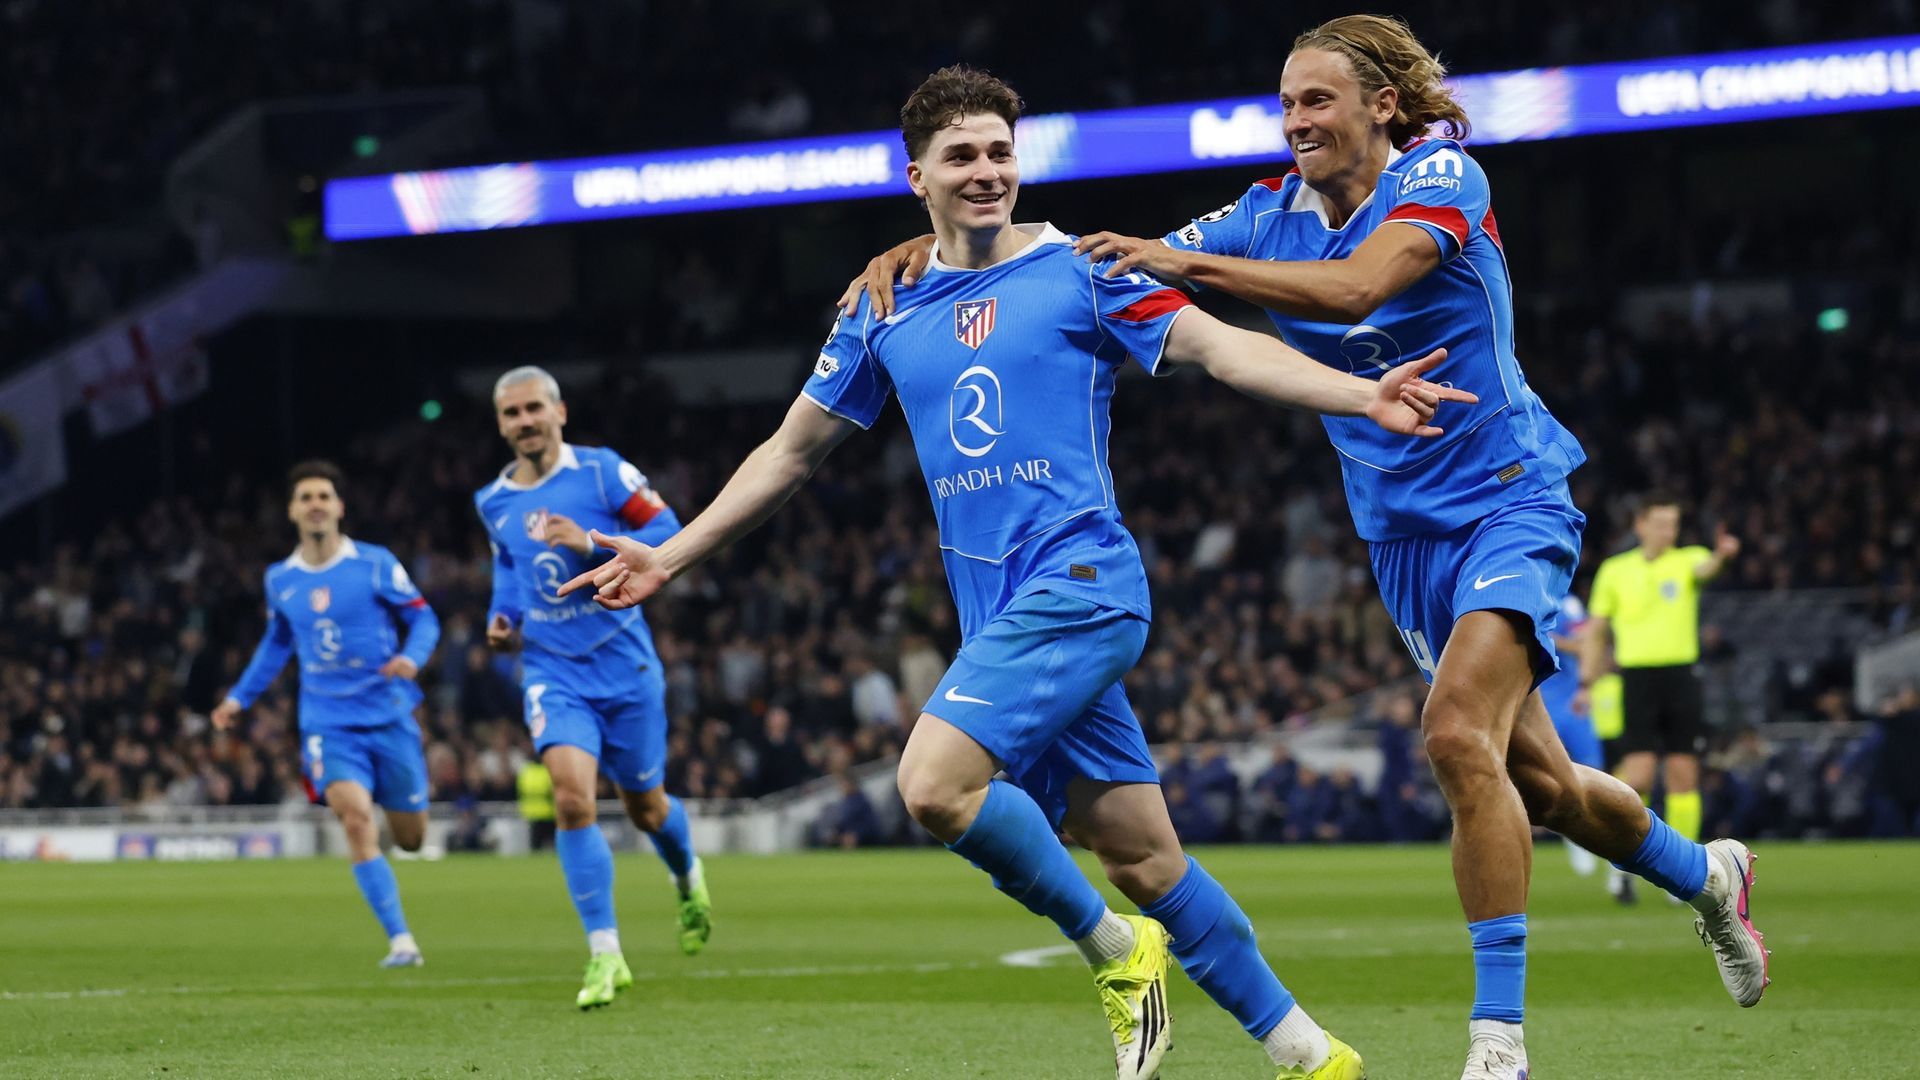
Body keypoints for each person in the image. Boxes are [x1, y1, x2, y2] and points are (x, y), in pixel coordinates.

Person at [840, 16, 1768, 1079]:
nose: (1294, 122)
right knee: (1544, 789)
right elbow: (1103, 266)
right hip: (1401, 538)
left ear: (1381, 104)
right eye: (1284, 105)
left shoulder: (1444, 178)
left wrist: (1191, 259)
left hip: (1510, 498)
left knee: (1456, 735)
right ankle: (1707, 878)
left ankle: (1498, 1043)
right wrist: (942, 254)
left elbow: (1360, 287)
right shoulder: (1264, 215)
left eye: (1316, 100)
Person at [565, 64, 1475, 1080]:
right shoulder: (882, 303)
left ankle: (1115, 952)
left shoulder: (1083, 268)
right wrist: (672, 554)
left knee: (932, 786)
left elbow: (1219, 348)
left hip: (1082, 581)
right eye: (962, 156)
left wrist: (1359, 395)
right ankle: (1310, 1054)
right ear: (918, 175)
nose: (988, 172)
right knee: (1144, 858)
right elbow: (790, 451)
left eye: (1001, 151)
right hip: (1000, 613)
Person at [476, 365, 712, 1011]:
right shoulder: (493, 501)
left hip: (624, 665)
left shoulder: (604, 472)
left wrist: (587, 543)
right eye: (511, 413)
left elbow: (671, 536)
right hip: (552, 670)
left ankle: (687, 875)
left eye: (533, 409)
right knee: (573, 801)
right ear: (500, 425)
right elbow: (508, 569)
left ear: (560, 412)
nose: (524, 421)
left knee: (646, 809)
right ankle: (606, 953)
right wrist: (503, 620)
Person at [213, 460, 439, 968]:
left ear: (339, 506)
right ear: (293, 511)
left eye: (324, 496)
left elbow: (422, 616)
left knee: (411, 837)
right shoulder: (281, 579)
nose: (315, 504)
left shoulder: (375, 563)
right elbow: (276, 644)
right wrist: (237, 699)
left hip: (388, 713)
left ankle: (394, 825)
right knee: (356, 820)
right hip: (327, 722)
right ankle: (401, 941)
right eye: (305, 497)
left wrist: (412, 658)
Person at [1585, 493, 1742, 904]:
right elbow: (1597, 628)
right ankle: (1619, 863)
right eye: (1660, 523)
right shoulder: (1616, 571)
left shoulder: (1687, 559)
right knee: (1636, 775)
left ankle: (1683, 872)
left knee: (1683, 775)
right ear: (1640, 525)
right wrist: (1588, 678)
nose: (1667, 532)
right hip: (1636, 678)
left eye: (1672, 524)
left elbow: (1707, 568)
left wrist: (1722, 556)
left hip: (1680, 677)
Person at [1538, 594, 1604, 876]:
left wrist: (1549, 639)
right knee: (1545, 776)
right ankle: (1573, 838)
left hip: (1570, 703)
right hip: (1538, 704)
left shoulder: (1568, 604)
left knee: (1593, 775)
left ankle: (1596, 839)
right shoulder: (1523, 594)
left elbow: (1583, 645)